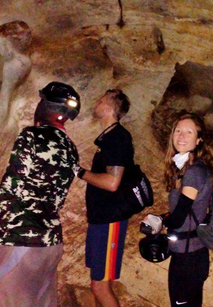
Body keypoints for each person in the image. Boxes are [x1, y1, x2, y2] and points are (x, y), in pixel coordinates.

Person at [0, 81, 81, 307]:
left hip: (20, 243)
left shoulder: (31, 137)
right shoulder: (70, 147)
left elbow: (10, 188)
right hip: (50, 246)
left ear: (44, 106)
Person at [143, 113, 213, 307]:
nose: (181, 136)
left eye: (189, 132)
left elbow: (178, 218)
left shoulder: (194, 172)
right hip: (190, 253)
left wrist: (160, 222)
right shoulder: (187, 168)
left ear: (198, 139)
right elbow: (185, 211)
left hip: (189, 257)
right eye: (178, 131)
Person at [73, 89, 134, 307]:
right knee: (97, 284)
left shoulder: (117, 138)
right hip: (101, 219)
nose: (96, 102)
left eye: (100, 99)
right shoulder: (108, 138)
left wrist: (79, 172)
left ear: (109, 108)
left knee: (100, 286)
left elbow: (112, 182)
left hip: (110, 220)